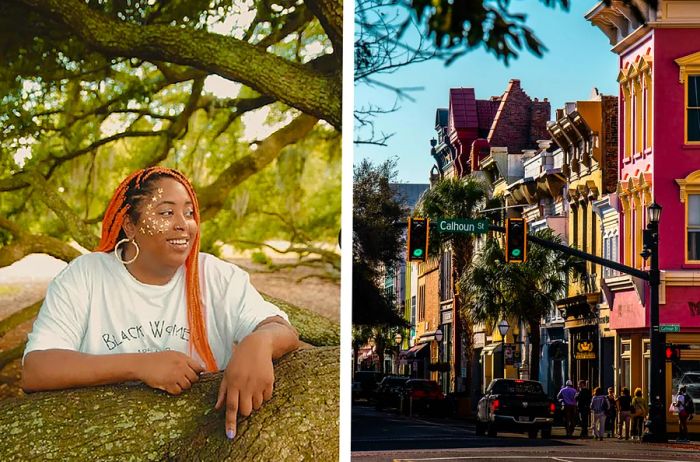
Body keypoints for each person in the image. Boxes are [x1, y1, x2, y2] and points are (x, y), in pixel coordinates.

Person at [21, 167, 300, 441]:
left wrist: (259, 343)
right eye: (166, 212)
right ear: (129, 224)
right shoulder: (86, 275)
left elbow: (280, 329)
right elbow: (37, 369)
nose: (183, 223)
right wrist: (141, 365)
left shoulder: (215, 276)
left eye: (189, 213)